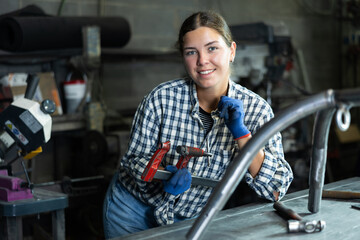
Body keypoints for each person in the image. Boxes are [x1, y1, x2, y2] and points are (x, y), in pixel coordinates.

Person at [103, 10, 293, 239]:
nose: (202, 60)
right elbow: (133, 162)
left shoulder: (257, 111)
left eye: (212, 48)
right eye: (191, 52)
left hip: (193, 218)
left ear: (231, 51)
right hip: (132, 211)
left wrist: (242, 134)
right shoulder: (161, 99)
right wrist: (162, 175)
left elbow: (276, 188)